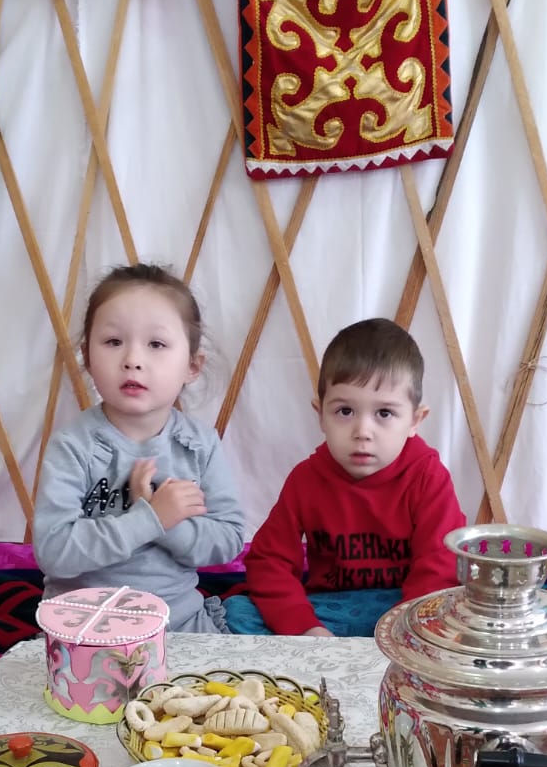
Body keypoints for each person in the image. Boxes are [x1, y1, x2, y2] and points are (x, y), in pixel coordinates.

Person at [33, 263, 245, 631]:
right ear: (87, 356)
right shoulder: (74, 446)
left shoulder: (198, 445)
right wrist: (149, 519)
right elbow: (55, 552)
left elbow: (228, 539)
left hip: (178, 622)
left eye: (156, 344)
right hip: (86, 626)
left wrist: (169, 525)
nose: (132, 360)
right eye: (113, 342)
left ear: (192, 366)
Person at [235, 317, 464, 636]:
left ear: (415, 420)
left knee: (466, 613)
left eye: (384, 413)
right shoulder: (306, 479)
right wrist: (305, 627)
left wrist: (408, 631)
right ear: (321, 415)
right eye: (345, 411)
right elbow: (268, 561)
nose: (362, 432)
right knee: (237, 612)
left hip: (403, 605)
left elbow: (440, 567)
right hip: (332, 609)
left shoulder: (427, 477)